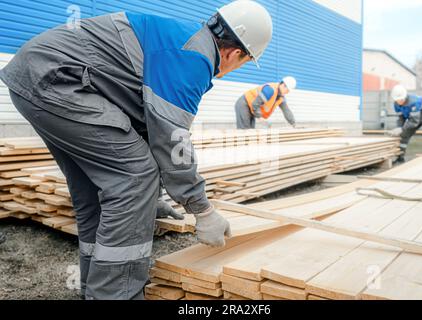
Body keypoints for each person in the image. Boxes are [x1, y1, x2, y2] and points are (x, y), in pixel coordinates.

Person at [0, 1, 273, 299]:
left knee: (95, 188)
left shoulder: (180, 39)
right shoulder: (193, 57)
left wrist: (151, 201)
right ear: (236, 53)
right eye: (245, 62)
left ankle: (95, 287)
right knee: (134, 177)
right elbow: (172, 140)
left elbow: (145, 130)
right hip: (59, 82)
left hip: (37, 77)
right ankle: (116, 295)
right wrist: (201, 209)